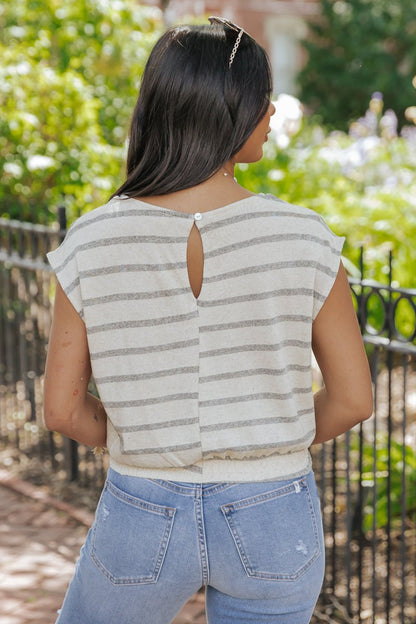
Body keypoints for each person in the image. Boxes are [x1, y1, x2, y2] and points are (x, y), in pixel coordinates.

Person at [43, 16, 373, 624]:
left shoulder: (91, 241)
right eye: (260, 99)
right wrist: (270, 439)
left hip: (142, 506)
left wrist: (138, 439)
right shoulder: (306, 239)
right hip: (274, 511)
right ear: (227, 109)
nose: (272, 113)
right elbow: (353, 400)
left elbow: (63, 410)